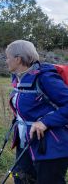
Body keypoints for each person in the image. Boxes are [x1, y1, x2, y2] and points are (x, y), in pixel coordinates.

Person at [5, 40, 68, 183]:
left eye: (7, 57)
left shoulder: (45, 77)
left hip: (51, 149)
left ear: (18, 59)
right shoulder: (19, 79)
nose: (6, 61)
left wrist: (45, 122)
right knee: (21, 180)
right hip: (26, 144)